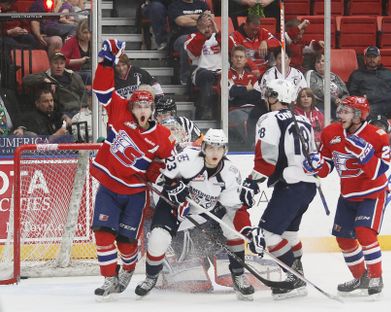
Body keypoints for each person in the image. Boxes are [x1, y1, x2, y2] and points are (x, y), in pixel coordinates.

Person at [135, 128, 266, 301]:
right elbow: (156, 170)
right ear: (203, 147)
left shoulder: (230, 173)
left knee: (233, 230)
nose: (215, 152)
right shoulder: (187, 158)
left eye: (219, 148)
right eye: (211, 147)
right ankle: (151, 277)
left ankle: (238, 276)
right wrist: (173, 184)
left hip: (205, 211)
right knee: (158, 239)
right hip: (174, 206)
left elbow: (235, 209)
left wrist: (248, 231)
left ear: (225, 150)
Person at [90, 39, 175, 297]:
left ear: (152, 109)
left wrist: (158, 175)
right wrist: (106, 62)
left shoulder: (163, 135)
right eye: (137, 105)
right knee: (103, 234)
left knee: (127, 242)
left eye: (146, 106)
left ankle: (127, 268)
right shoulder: (119, 111)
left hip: (136, 193)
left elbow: (165, 163)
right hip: (109, 187)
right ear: (131, 106)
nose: (141, 109)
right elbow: (102, 90)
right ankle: (108, 278)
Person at [302, 96, 391, 297]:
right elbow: (326, 167)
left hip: (373, 193)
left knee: (364, 232)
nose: (340, 114)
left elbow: (378, 171)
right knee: (344, 238)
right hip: (348, 194)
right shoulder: (330, 132)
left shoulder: (377, 135)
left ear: (359, 115)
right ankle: (362, 277)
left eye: (346, 111)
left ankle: (376, 276)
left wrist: (365, 153)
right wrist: (315, 167)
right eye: (340, 110)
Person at [239, 79, 318, 300]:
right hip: (308, 185)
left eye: (267, 96)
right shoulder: (304, 119)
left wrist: (252, 181)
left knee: (267, 234)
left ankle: (294, 278)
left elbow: (266, 158)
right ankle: (298, 274)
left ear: (274, 96)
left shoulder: (269, 118)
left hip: (291, 185)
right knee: (289, 233)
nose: (265, 99)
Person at [23, 51, 87, 118]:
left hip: (80, 110)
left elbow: (83, 92)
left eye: (61, 63)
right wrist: (44, 80)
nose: (59, 66)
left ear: (64, 64)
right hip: (65, 112)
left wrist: (84, 106)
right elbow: (26, 79)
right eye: (56, 63)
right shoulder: (46, 75)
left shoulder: (74, 75)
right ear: (50, 64)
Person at [185, 11, 221, 120]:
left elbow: (231, 49)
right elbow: (193, 54)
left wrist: (217, 33)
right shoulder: (192, 37)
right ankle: (205, 110)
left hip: (221, 72)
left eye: (210, 25)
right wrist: (202, 35)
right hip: (202, 72)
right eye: (204, 26)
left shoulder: (220, 36)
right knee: (207, 75)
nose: (208, 28)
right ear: (198, 26)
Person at [348, 46, 391, 119]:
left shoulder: (388, 73)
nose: (372, 59)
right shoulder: (357, 75)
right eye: (369, 57)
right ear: (365, 58)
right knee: (366, 112)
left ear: (379, 58)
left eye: (374, 57)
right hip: (371, 107)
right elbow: (352, 94)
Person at [168, 0, 209, 85]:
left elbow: (210, 19)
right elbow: (182, 21)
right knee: (186, 42)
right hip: (182, 36)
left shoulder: (202, 4)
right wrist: (201, 20)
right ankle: (185, 77)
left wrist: (189, 17)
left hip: (202, 34)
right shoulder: (174, 5)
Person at [305, 53, 349, 119]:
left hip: (337, 104)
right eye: (318, 62)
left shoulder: (333, 75)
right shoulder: (311, 74)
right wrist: (334, 99)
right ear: (314, 65)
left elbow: (345, 92)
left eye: (323, 61)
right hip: (319, 104)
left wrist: (342, 101)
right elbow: (317, 90)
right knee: (325, 119)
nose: (321, 63)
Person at [61, 19, 91, 84]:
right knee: (92, 76)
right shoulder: (71, 42)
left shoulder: (95, 42)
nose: (88, 36)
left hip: (89, 70)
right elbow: (61, 60)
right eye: (85, 32)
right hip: (73, 73)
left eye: (90, 32)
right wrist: (80, 61)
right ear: (79, 32)